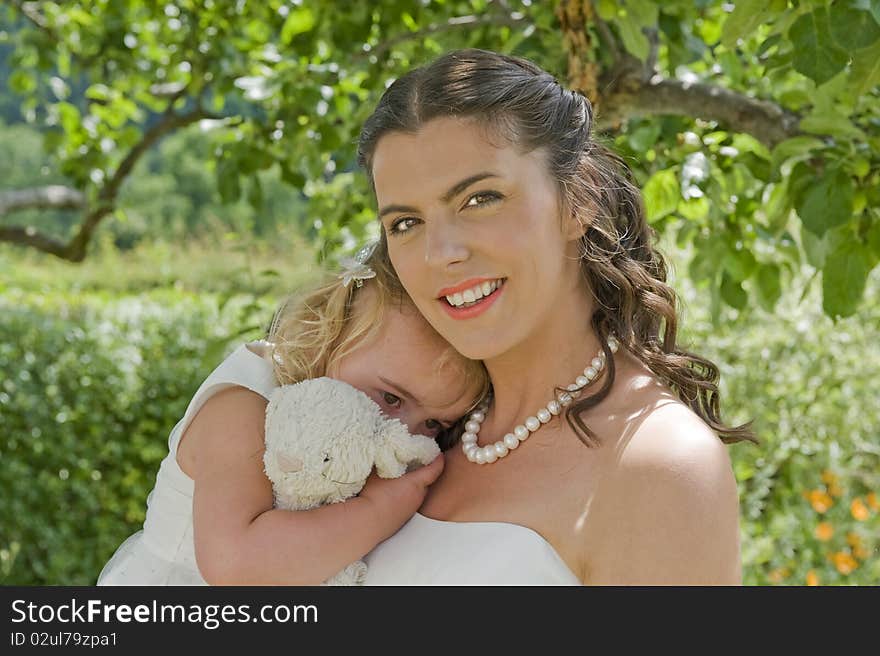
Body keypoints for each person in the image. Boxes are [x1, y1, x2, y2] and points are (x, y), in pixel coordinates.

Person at [356, 48, 757, 585]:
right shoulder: (416, 423)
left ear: (578, 199)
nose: (439, 254)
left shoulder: (656, 465)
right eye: (405, 223)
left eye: (479, 199)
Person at [96, 242, 489, 585]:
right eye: (389, 399)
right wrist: (378, 510)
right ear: (332, 335)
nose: (403, 433)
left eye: (435, 424)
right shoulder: (245, 407)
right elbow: (235, 564)